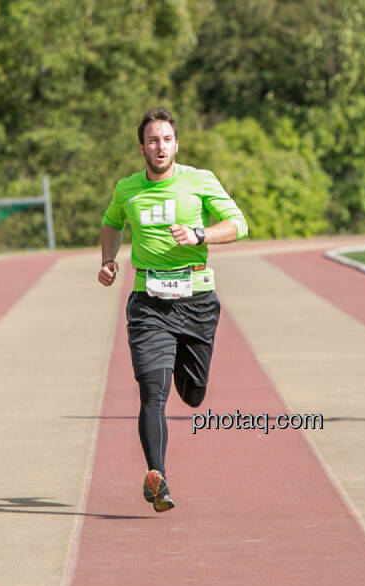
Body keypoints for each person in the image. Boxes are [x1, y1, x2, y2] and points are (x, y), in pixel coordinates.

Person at [97, 106, 249, 512]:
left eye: (166, 139)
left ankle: (183, 362)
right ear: (142, 147)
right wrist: (108, 260)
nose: (159, 146)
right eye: (152, 140)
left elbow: (239, 224)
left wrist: (200, 232)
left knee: (194, 395)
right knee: (152, 392)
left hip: (197, 300)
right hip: (148, 303)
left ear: (176, 144)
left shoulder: (199, 180)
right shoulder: (127, 188)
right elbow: (111, 223)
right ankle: (157, 478)